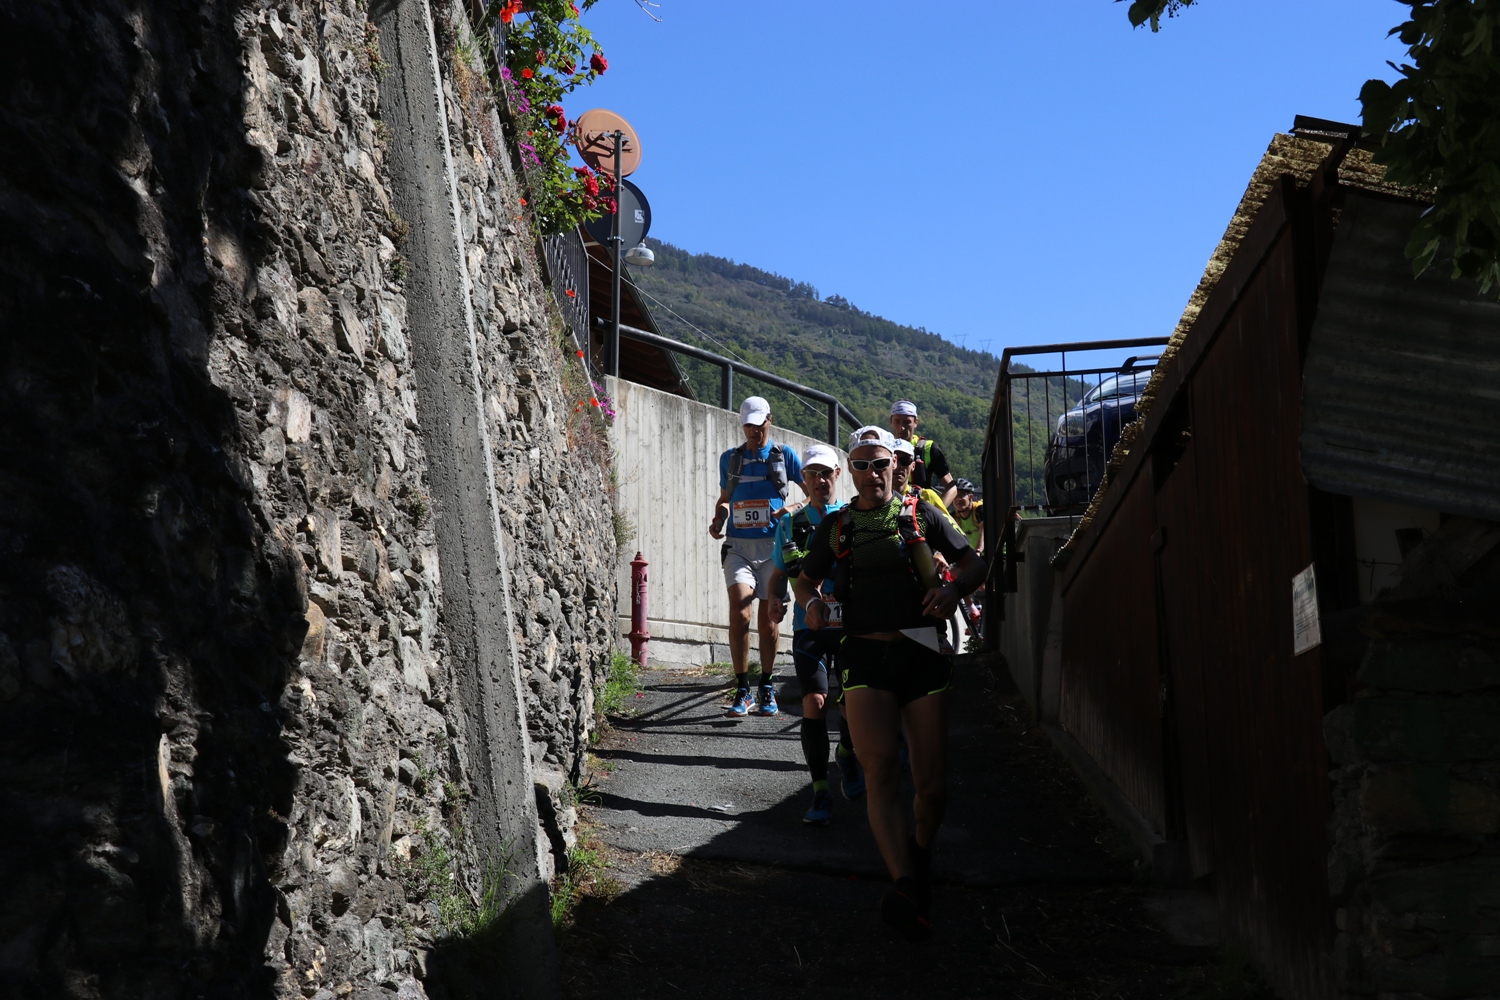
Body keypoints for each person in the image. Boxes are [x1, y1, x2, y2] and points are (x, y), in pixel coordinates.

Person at [793, 429, 985, 942]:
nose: (872, 473)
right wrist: (810, 604)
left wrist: (953, 591)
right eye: (861, 465)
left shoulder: (923, 515)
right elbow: (805, 580)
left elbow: (974, 562)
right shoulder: (836, 526)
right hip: (863, 657)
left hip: (922, 654)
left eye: (881, 463)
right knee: (879, 769)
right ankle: (904, 884)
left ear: (897, 466)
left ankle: (919, 852)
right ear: (850, 471)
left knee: (932, 787)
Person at [767, 444, 863, 825]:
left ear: (838, 475)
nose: (820, 481)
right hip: (809, 627)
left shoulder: (854, 519)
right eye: (812, 474)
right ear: (803, 479)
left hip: (851, 627)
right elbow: (778, 575)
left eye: (826, 473)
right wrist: (776, 601)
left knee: (853, 703)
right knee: (815, 701)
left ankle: (847, 753)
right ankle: (821, 790)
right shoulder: (790, 525)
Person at [710, 396, 804, 717]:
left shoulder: (784, 456)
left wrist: (792, 508)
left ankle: (766, 683)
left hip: (774, 550)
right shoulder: (730, 459)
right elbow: (725, 499)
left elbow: (812, 496)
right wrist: (719, 518)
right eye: (748, 425)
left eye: (758, 424)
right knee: (740, 613)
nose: (753, 431)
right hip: (739, 547)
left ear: (769, 420)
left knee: (769, 621)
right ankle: (742, 688)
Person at [889, 400, 956, 508]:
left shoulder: (928, 448)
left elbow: (952, 487)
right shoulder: (885, 448)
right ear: (891, 422)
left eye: (907, 422)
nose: (901, 428)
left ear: (916, 422)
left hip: (921, 510)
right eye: (897, 422)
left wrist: (936, 512)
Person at [950, 479, 983, 555]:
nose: (958, 499)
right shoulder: (954, 517)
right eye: (955, 496)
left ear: (971, 497)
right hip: (977, 555)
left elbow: (984, 533)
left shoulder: (979, 510)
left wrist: (978, 551)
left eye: (961, 495)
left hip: (997, 552)